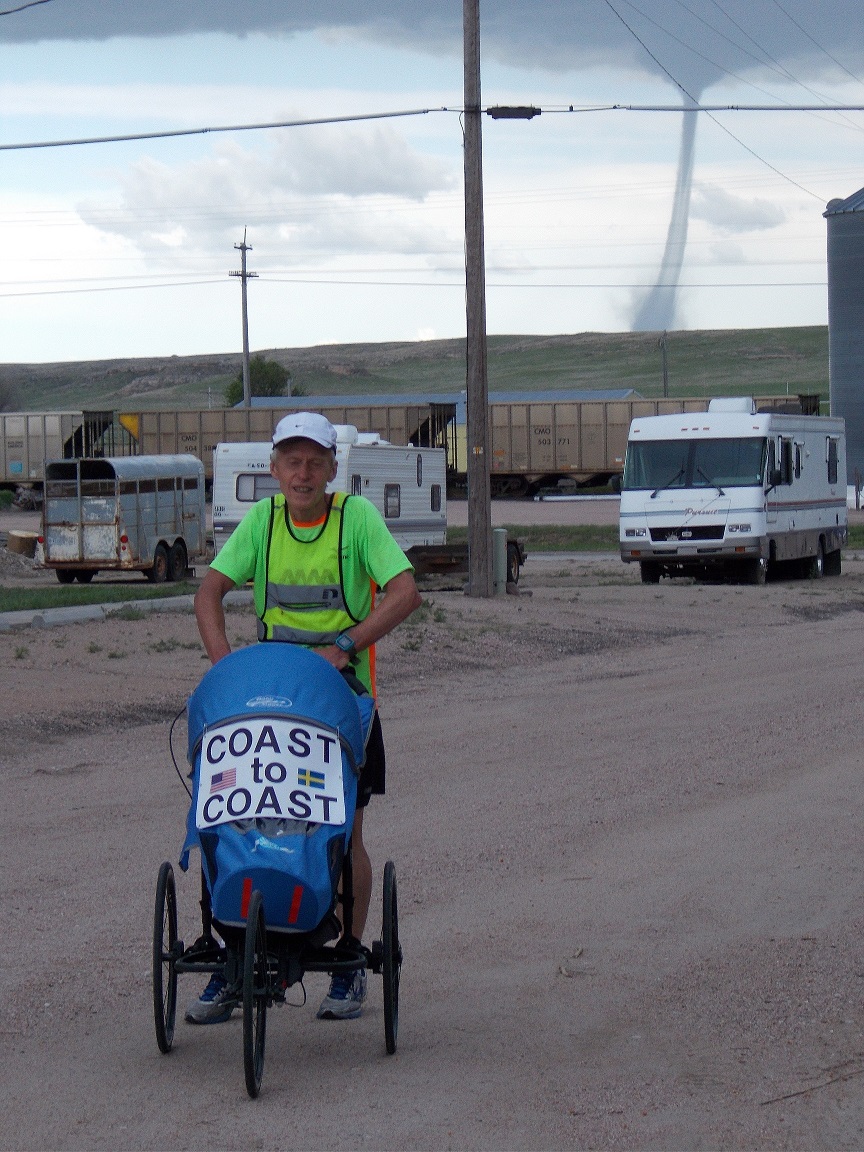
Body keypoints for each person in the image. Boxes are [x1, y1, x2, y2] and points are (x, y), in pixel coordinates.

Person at [186, 411, 421, 1025]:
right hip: (262, 695)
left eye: (315, 461)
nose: (303, 472)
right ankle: (227, 952)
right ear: (274, 469)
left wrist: (344, 645)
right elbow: (208, 591)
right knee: (234, 811)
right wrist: (222, 670)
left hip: (342, 699)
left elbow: (404, 593)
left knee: (343, 831)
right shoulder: (261, 522)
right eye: (292, 461)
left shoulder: (356, 521)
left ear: (332, 468)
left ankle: (345, 958)